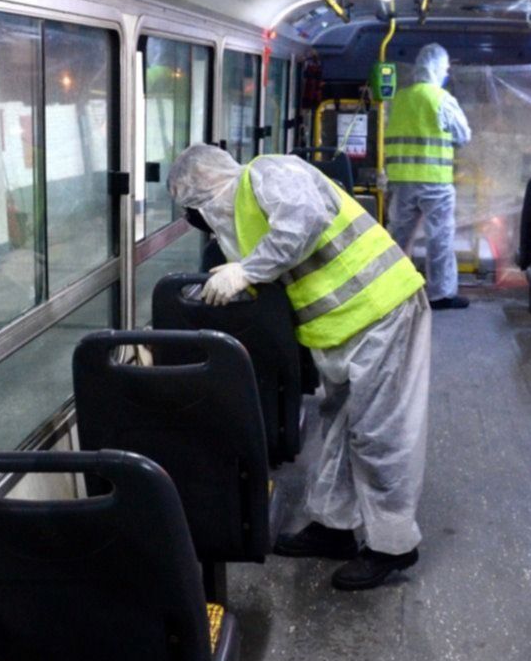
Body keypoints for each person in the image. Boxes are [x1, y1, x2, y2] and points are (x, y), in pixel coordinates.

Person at [168, 144, 432, 591]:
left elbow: (304, 222)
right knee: (338, 426)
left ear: (208, 192)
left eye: (199, 212)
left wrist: (247, 271)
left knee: (379, 432)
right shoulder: (242, 224)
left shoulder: (269, 174)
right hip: (340, 327)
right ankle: (334, 526)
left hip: (382, 306)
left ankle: (393, 545)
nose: (206, 224)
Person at [383, 43, 472, 310]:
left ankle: (389, 290)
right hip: (435, 181)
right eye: (445, 69)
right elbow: (463, 136)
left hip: (401, 180)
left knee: (398, 237)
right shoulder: (441, 99)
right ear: (437, 68)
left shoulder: (399, 99)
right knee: (439, 238)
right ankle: (440, 294)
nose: (446, 73)